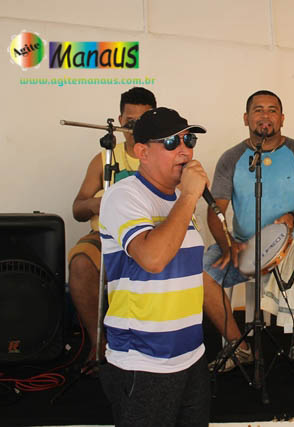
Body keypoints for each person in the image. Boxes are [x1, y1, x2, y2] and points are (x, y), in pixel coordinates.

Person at [202, 90, 294, 372]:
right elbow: (215, 209)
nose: (265, 116)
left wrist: (293, 217)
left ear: (282, 118)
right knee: (198, 274)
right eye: (258, 110)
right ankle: (239, 347)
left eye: (272, 110)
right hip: (243, 245)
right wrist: (227, 244)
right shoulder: (231, 158)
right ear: (246, 118)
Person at [98, 107, 210, 426]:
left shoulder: (179, 200)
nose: (185, 150)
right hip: (144, 361)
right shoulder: (123, 196)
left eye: (189, 140)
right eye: (172, 142)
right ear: (142, 152)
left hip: (190, 354)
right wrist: (189, 196)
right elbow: (153, 259)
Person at [68, 87, 156, 371]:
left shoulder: (162, 156)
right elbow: (77, 208)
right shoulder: (105, 158)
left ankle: (150, 347)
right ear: (119, 121)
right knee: (80, 262)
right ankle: (99, 345)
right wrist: (100, 203)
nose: (135, 129)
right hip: (106, 236)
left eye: (143, 122)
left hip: (148, 236)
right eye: (130, 122)